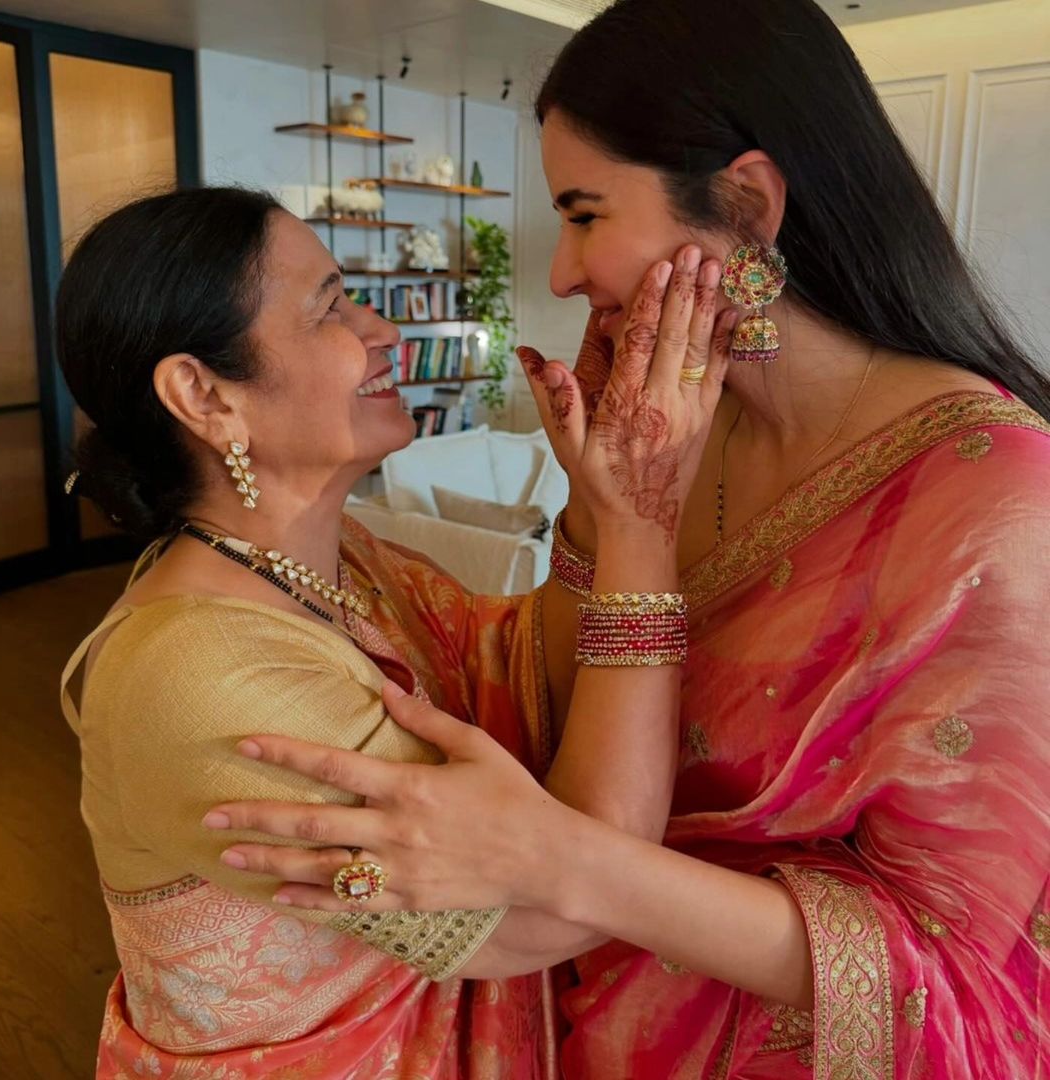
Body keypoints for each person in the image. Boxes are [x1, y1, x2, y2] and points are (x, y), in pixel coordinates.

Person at [199, 0, 1050, 1076]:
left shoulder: (995, 493)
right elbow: (567, 705)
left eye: (586, 213)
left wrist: (566, 866)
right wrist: (603, 508)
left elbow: (940, 960)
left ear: (744, 207)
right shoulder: (679, 437)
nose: (559, 275)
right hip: (605, 1008)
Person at [57, 184, 731, 1077]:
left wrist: (598, 511)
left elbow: (523, 664)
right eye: (331, 305)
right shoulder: (194, 673)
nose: (384, 332)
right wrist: (642, 526)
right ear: (204, 395)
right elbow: (561, 906)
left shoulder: (345, 557)